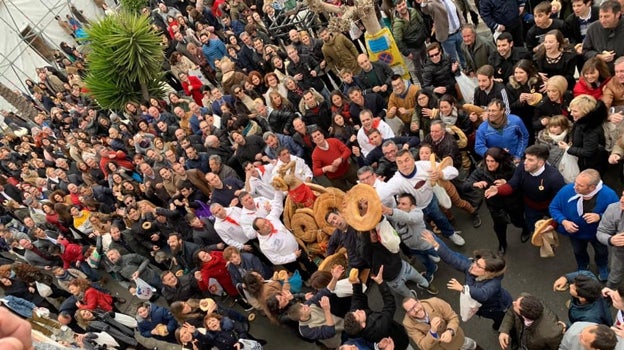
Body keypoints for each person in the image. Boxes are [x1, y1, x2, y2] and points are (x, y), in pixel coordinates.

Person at [422, 231, 512, 330]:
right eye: (476, 262)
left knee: (503, 321)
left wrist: (463, 289)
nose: (473, 265)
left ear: (488, 272)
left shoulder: (494, 283)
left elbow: (483, 294)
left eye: (479, 266)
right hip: (483, 309)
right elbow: (454, 260)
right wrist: (436, 245)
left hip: (497, 308)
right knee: (495, 319)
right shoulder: (472, 269)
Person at [385, 149, 466, 246]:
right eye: (400, 162)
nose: (404, 165)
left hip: (430, 201)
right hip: (415, 210)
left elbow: (453, 171)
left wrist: (441, 174)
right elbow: (382, 194)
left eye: (407, 160)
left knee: (440, 218)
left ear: (413, 159)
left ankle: (451, 234)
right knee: (422, 230)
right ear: (397, 165)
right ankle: (431, 247)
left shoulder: (425, 166)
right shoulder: (396, 181)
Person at [485, 144, 566, 241]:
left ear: (540, 163)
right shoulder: (522, 167)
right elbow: (513, 184)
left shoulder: (555, 178)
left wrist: (554, 223)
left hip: (549, 207)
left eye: (530, 160)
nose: (525, 162)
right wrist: (499, 190)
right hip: (531, 206)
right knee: (531, 225)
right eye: (526, 158)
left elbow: (560, 202)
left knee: (558, 226)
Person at [549, 169, 618, 280]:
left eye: (580, 185)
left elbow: (617, 215)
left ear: (592, 188)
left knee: (601, 251)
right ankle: (583, 266)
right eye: (576, 182)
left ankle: (602, 266)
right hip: (575, 234)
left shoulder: (609, 195)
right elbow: (554, 207)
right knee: (578, 251)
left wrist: (600, 216)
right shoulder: (567, 190)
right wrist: (564, 221)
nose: (574, 187)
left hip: (599, 234)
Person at [464, 147, 526, 254]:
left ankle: (525, 230)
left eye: (492, 161)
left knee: (519, 220)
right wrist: (475, 183)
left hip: (513, 201)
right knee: (499, 226)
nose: (489, 164)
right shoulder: (481, 170)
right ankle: (502, 244)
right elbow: (465, 185)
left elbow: (520, 183)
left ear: (499, 160)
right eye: (487, 161)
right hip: (495, 204)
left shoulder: (510, 168)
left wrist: (506, 182)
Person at [343, 266, 411, 350]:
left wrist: (356, 283)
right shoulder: (379, 328)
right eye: (358, 315)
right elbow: (389, 305)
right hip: (398, 338)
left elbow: (357, 298)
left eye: (354, 312)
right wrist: (381, 283)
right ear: (363, 325)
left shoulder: (354, 318)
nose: (358, 310)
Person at [402, 295, 477, 350]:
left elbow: (452, 317)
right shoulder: (408, 324)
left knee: (469, 345)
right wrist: (432, 331)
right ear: (408, 313)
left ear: (419, 301)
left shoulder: (435, 302)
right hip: (439, 347)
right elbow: (423, 346)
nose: (416, 310)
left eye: (415, 305)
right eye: (411, 310)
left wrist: (450, 331)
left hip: (456, 338)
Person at [498, 294, 565, 350]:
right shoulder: (524, 299)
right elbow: (511, 311)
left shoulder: (551, 334)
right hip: (521, 338)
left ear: (524, 315)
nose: (513, 303)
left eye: (516, 305)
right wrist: (504, 330)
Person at [563, 94, 609, 172]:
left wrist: (568, 148)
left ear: (585, 112)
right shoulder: (583, 121)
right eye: (571, 110)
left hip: (590, 166)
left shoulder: (591, 129)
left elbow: (588, 152)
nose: (571, 114)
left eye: (575, 111)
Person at [474, 99, 529, 163]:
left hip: (514, 159)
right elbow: (479, 147)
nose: (490, 114)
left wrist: (518, 155)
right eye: (489, 110)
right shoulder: (483, 128)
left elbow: (524, 136)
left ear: (502, 110)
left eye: (493, 111)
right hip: (495, 162)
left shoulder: (515, 121)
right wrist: (496, 154)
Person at [392, 0, 428, 83]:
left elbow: (421, 22)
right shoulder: (397, 24)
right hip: (412, 48)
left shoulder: (413, 11)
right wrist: (406, 53)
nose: (402, 7)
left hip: (421, 43)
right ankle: (423, 83)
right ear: (396, 9)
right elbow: (398, 41)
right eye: (399, 6)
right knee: (417, 68)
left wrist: (425, 35)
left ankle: (429, 77)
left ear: (405, 3)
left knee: (426, 61)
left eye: (403, 4)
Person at [582, 0, 624, 73]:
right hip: (601, 74)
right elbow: (585, 51)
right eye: (600, 16)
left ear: (617, 14)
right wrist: (599, 56)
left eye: (606, 16)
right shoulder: (593, 28)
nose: (602, 20)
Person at [596, 190, 624, 289]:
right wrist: (610, 240)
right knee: (614, 277)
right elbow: (601, 232)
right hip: (621, 253)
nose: (622, 200)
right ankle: (608, 295)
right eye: (622, 195)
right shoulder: (613, 209)